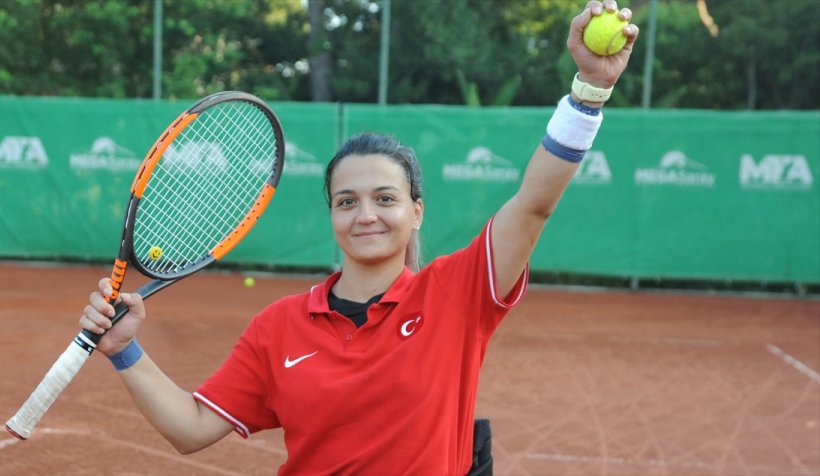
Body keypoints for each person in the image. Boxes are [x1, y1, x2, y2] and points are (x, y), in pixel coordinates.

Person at [80, 1, 638, 474]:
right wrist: (123, 348)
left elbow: (534, 205)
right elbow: (193, 428)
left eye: (385, 199)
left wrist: (589, 93)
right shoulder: (278, 328)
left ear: (416, 213)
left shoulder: (456, 294)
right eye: (347, 202)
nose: (365, 215)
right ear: (332, 215)